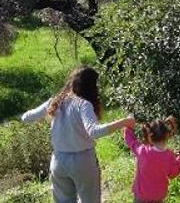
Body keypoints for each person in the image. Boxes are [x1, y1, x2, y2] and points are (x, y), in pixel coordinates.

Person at [21, 65, 135, 203]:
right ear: (91, 86)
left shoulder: (55, 101)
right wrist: (125, 121)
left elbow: (26, 118)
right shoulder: (84, 104)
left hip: (58, 160)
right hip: (82, 161)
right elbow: (94, 132)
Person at [123, 116, 180, 203]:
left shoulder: (142, 150)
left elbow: (131, 141)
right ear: (167, 135)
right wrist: (179, 160)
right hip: (158, 196)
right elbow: (173, 174)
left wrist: (127, 128)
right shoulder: (169, 155)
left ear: (150, 135)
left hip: (141, 196)